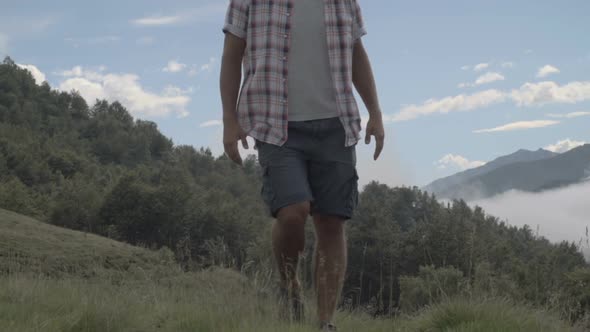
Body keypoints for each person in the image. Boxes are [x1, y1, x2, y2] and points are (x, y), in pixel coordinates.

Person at [219, 0, 384, 330]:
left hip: (335, 125)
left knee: (332, 222)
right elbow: (232, 54)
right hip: (276, 125)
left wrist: (375, 113)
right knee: (293, 212)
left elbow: (356, 53)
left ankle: (325, 323)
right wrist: (229, 119)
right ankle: (288, 282)